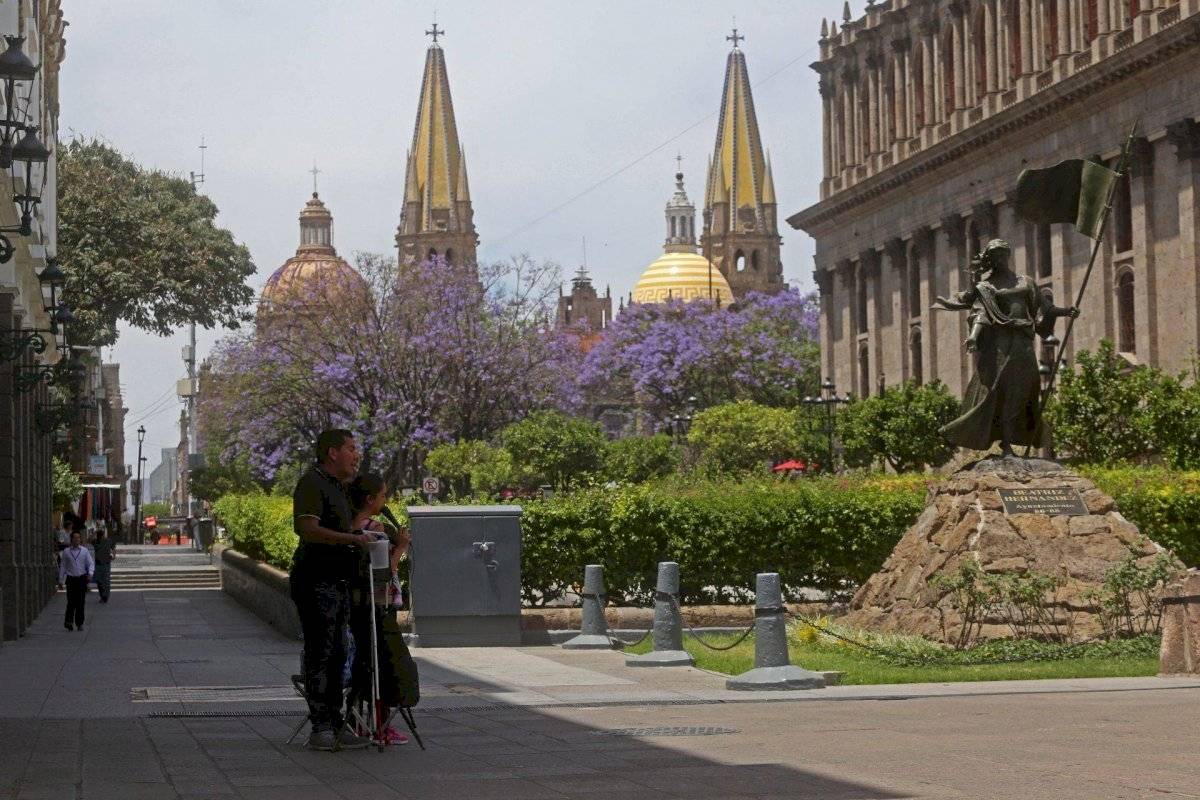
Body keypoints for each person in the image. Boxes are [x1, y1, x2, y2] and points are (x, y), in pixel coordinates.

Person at [934, 239, 1078, 456]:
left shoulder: (1026, 282)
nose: (999, 259)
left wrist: (1067, 311)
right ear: (989, 259)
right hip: (1000, 345)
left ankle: (1017, 438)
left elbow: (1045, 308)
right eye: (995, 255)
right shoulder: (986, 287)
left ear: (1008, 256)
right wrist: (974, 337)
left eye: (1002, 254)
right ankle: (1007, 443)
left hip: (1023, 342)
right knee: (1002, 390)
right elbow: (981, 314)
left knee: (1025, 388)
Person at [290, 429, 375, 752]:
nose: (357, 455)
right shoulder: (312, 484)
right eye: (351, 449)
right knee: (321, 654)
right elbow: (308, 529)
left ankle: (336, 721)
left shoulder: (339, 486)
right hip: (316, 581)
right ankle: (321, 726)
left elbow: (345, 527)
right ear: (331, 453)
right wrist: (351, 540)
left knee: (340, 653)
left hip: (338, 582)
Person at [348, 473, 414, 745]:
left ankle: (361, 723)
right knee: (381, 663)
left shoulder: (349, 525)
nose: (386, 500)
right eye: (384, 495)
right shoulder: (374, 528)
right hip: (377, 603)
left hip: (355, 603)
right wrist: (401, 547)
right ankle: (381, 726)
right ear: (370, 499)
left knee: (363, 663)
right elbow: (386, 570)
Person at [58, 530, 94, 631]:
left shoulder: (84, 551)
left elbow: (90, 563)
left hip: (81, 579)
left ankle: (79, 623)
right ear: (71, 539)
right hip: (70, 579)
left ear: (80, 539)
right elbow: (63, 566)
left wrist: (90, 573)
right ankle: (68, 622)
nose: (77, 539)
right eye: (75, 538)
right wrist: (60, 580)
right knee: (70, 601)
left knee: (81, 602)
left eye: (78, 537)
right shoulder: (66, 552)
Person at [92, 528, 116, 603]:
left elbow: (113, 548)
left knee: (105, 581)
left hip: (104, 563)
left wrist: (114, 555)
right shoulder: (95, 541)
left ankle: (104, 596)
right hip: (100, 563)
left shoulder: (107, 541)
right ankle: (103, 596)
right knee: (101, 581)